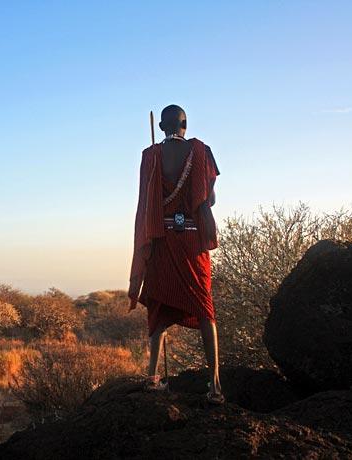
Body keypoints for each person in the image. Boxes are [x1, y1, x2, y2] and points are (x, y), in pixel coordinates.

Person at [128, 104, 224, 404]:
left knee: (158, 304)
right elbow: (209, 198)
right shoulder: (202, 151)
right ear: (185, 123)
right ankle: (215, 386)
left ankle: (152, 377)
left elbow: (146, 202)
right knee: (204, 307)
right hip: (193, 241)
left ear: (161, 128)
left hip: (162, 239)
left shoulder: (150, 155)